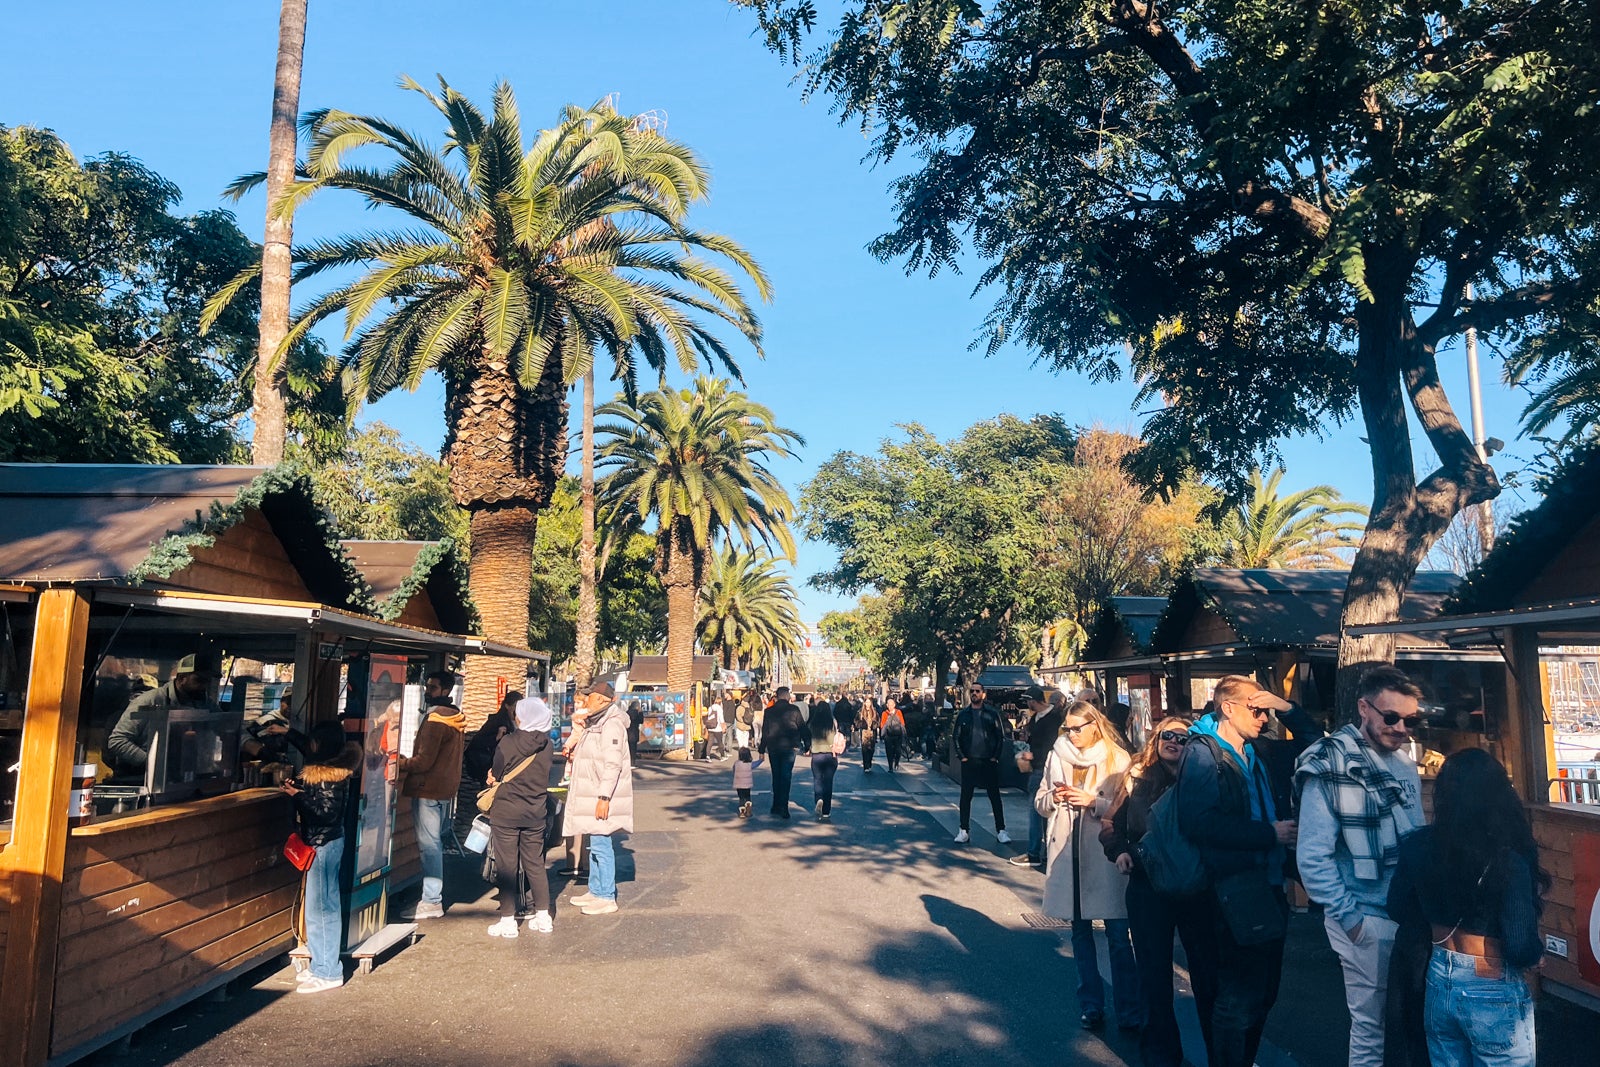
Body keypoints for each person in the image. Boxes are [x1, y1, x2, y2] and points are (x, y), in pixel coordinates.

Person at [1293, 667, 1425, 1067]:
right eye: (1391, 717)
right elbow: (1312, 856)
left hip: (1411, 914)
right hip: (1365, 914)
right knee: (1371, 1028)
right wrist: (1352, 920)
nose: (1401, 727)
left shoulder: (1404, 763)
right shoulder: (1329, 765)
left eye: (1410, 720)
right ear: (1364, 708)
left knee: (1411, 1021)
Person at [1387, 749, 1546, 1067]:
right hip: (1491, 980)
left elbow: (1396, 906)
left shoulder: (1418, 844)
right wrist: (1536, 954)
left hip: (1439, 976)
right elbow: (1519, 946)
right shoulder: (1508, 860)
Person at [1178, 675, 1299, 1067]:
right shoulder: (1203, 753)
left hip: (1268, 882)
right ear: (1228, 708)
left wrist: (1287, 708)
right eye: (1256, 708)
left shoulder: (1256, 751)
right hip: (1229, 890)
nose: (1264, 717)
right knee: (1236, 997)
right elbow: (1197, 823)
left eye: (1267, 710)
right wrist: (1268, 834)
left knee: (1265, 992)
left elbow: (1317, 743)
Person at [1102, 716, 1218, 1065]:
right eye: (1167, 736)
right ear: (1156, 740)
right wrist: (1119, 850)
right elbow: (1111, 824)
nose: (1174, 742)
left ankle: (1220, 1052)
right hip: (1147, 884)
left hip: (1196, 887)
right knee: (1154, 976)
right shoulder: (1136, 777)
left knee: (1207, 975)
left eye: (1183, 739)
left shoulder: (1203, 779)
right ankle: (1162, 1054)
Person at [1036, 699, 1141, 1031]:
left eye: (1076, 728)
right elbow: (1039, 800)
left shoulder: (1117, 758)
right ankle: (1091, 1005)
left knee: (1118, 938)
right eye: (1067, 728)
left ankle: (1128, 1010)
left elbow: (1131, 809)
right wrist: (1053, 798)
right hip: (1068, 859)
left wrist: (1093, 802)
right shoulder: (1057, 755)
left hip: (1105, 858)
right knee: (1080, 935)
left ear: (1094, 725)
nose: (1071, 734)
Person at [282, 723, 360, 994]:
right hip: (325, 842)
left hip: (323, 844)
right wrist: (287, 733)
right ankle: (321, 966)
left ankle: (328, 971)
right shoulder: (335, 768)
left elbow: (326, 813)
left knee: (323, 909)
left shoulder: (326, 775)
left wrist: (299, 796)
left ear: (321, 746)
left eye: (314, 742)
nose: (310, 746)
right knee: (318, 907)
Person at [486, 694, 556, 938]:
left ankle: (508, 920)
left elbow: (496, 771)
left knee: (507, 865)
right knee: (535, 864)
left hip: (506, 811)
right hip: (536, 811)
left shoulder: (507, 742)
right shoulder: (547, 744)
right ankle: (543, 916)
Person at [399, 670, 466, 920]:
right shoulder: (454, 716)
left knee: (429, 846)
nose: (428, 691)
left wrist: (401, 763)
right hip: (445, 788)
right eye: (427, 687)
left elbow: (424, 761)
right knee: (433, 843)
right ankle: (431, 898)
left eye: (433, 688)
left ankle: (431, 900)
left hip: (427, 787)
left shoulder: (437, 719)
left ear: (446, 691)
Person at [563, 681, 634, 915]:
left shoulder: (611, 725)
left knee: (602, 845)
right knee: (595, 844)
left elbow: (612, 764)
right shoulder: (595, 723)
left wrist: (604, 796)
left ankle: (606, 896)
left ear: (602, 700)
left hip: (600, 795)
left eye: (590, 697)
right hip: (591, 791)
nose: (586, 702)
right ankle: (595, 890)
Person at [105, 652, 221, 779]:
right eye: (199, 680)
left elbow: (225, 724)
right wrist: (152, 763)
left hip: (182, 777)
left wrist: (245, 743)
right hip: (140, 777)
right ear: (182, 679)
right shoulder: (150, 700)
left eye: (207, 681)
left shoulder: (205, 704)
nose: (203, 686)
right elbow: (117, 741)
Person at [1011, 686, 1066, 868]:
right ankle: (1046, 851)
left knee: (1035, 810)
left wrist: (1031, 756)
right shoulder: (1038, 718)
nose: (1027, 704)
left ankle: (1034, 852)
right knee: (1043, 810)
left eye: (1028, 701)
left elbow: (1051, 745)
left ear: (1033, 701)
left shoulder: (1052, 719)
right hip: (1039, 767)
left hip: (1043, 768)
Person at [953, 684, 1011, 844]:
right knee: (966, 796)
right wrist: (962, 756)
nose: (974, 693)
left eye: (977, 691)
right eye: (972, 691)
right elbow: (956, 736)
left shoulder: (992, 714)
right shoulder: (964, 714)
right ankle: (963, 830)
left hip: (988, 760)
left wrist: (995, 757)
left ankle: (1001, 830)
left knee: (995, 797)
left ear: (983, 694)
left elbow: (1000, 736)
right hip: (970, 760)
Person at [758, 686, 805, 819]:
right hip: (789, 748)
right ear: (787, 696)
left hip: (773, 747)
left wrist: (762, 749)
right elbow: (802, 727)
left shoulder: (769, 711)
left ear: (777, 696)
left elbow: (765, 732)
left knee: (776, 776)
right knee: (786, 777)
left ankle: (775, 805)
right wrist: (807, 744)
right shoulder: (794, 710)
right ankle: (783, 807)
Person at [463, 690, 521, 785]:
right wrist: (497, 737)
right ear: (507, 706)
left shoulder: (515, 722)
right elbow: (480, 741)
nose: (517, 710)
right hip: (489, 765)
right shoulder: (498, 722)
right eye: (515, 706)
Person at [809, 698, 840, 821]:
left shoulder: (813, 723)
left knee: (817, 779)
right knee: (828, 782)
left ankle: (819, 798)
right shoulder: (832, 722)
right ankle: (826, 810)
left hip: (816, 755)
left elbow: (808, 736)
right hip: (830, 755)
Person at [878, 702, 907, 771]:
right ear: (887, 706)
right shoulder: (884, 713)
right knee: (889, 751)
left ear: (894, 705)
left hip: (898, 734)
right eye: (889, 705)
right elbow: (882, 724)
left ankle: (896, 762)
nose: (890, 706)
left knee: (898, 750)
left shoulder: (898, 712)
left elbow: (902, 722)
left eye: (891, 705)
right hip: (888, 735)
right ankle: (890, 766)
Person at [733, 747, 756, 819]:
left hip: (738, 784)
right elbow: (757, 764)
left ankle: (742, 812)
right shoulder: (750, 764)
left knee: (741, 798)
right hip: (747, 785)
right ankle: (748, 809)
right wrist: (761, 760)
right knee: (747, 796)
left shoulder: (736, 763)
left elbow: (733, 770)